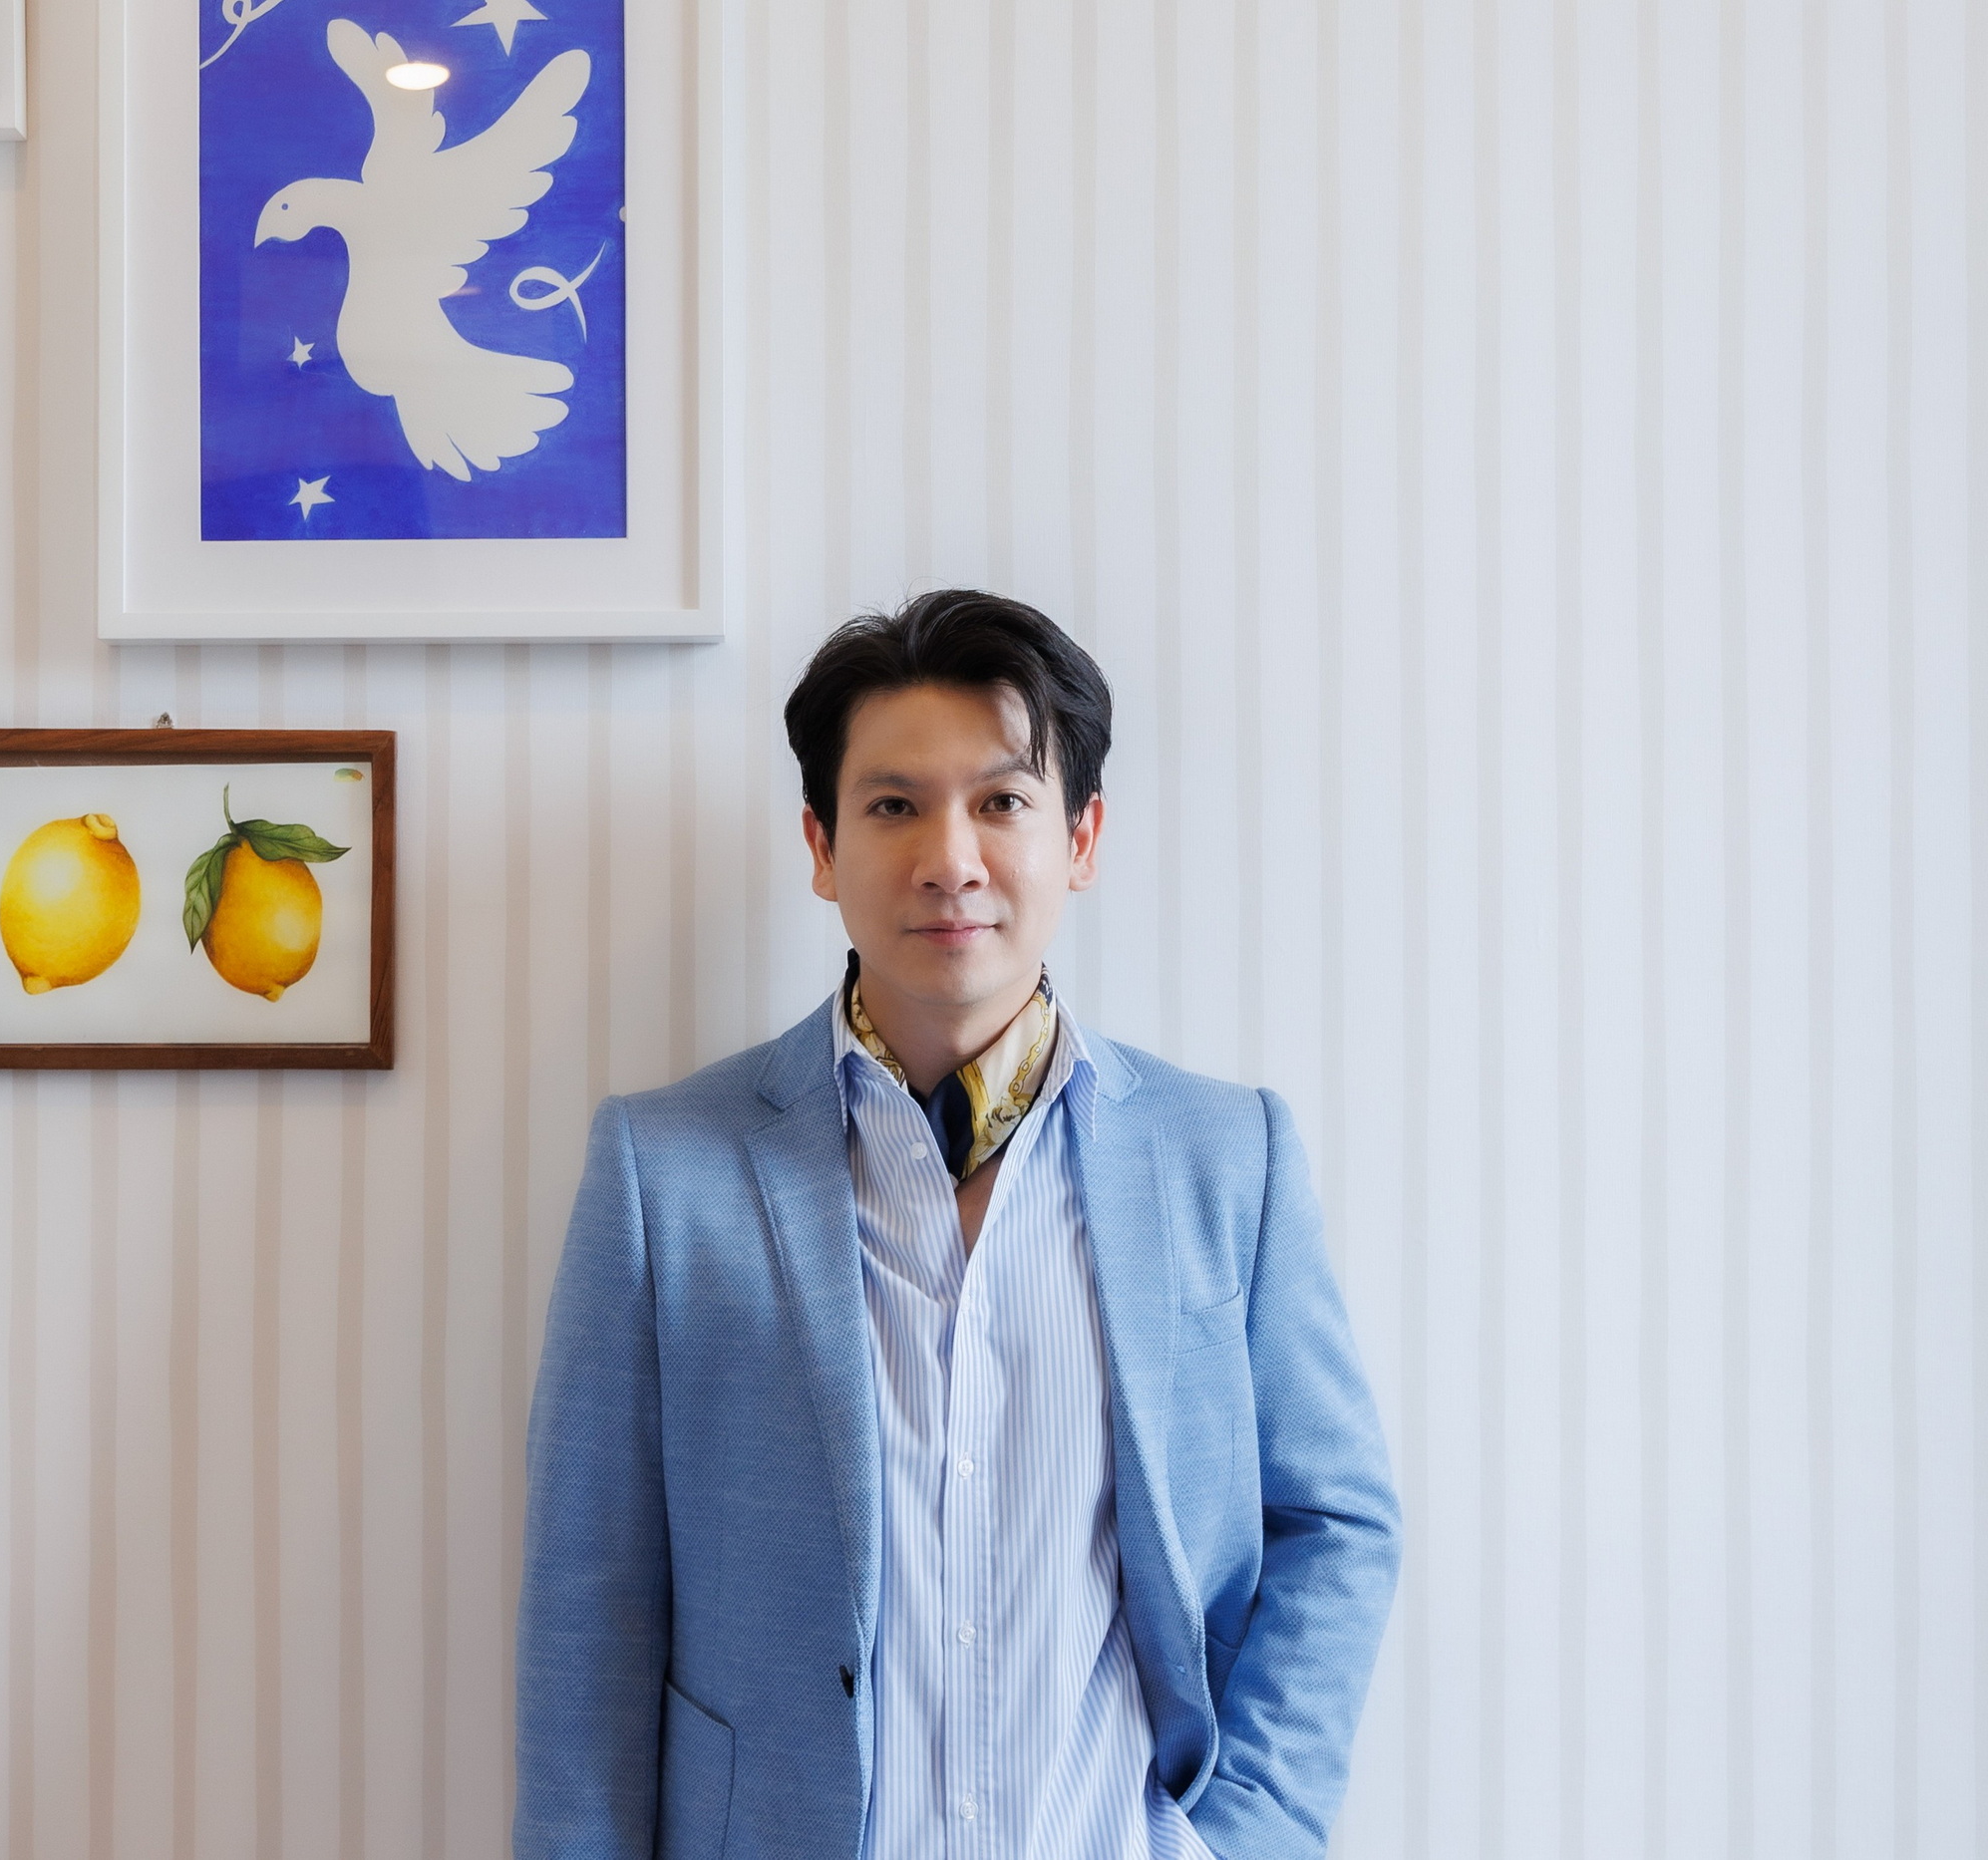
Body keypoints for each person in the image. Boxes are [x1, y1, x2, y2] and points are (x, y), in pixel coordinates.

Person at [513, 590, 1401, 1860]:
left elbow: (1335, 1522)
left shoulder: (1224, 1157)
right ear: (820, 846)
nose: (950, 859)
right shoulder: (665, 1171)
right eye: (892, 806)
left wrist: (1243, 1836)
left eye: (1001, 801)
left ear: (1080, 836)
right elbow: (588, 1598)